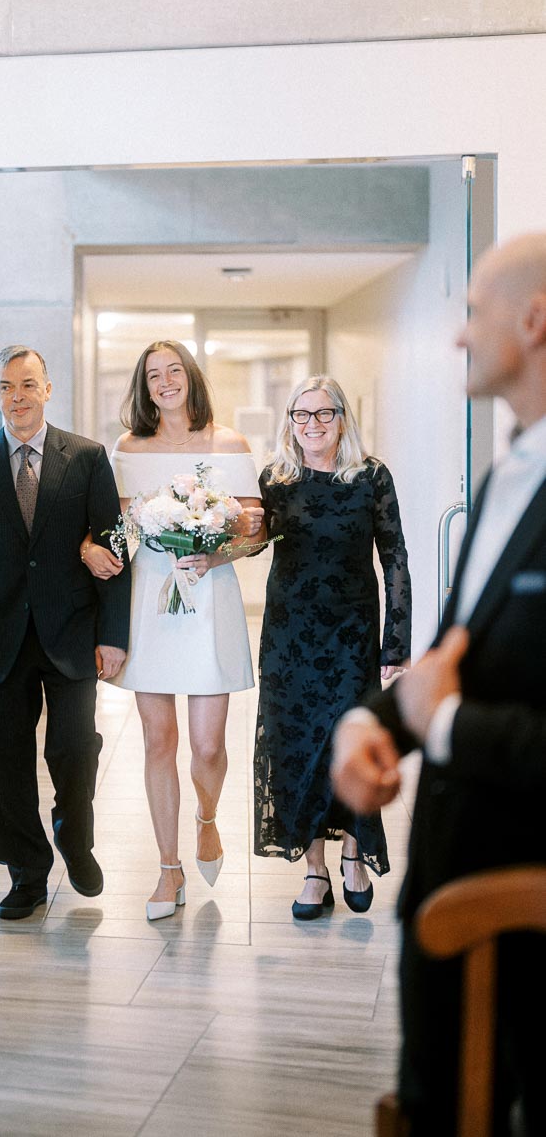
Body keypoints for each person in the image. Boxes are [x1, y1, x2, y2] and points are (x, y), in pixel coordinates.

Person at [331, 233, 546, 1137]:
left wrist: (445, 723)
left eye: (471, 316)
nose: (458, 338)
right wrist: (371, 726)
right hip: (447, 899)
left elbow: (451, 701)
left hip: (523, 922)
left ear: (534, 323)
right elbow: (453, 654)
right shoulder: (508, 477)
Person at [0, 345, 130, 920]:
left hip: (71, 631)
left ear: (47, 388)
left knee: (75, 750)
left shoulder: (89, 457)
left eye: (27, 384)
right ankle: (26, 873)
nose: (16, 397)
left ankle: (76, 840)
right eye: (5, 387)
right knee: (8, 760)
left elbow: (114, 544)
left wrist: (114, 634)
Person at [82, 340, 264, 921]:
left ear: (191, 378)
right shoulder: (128, 449)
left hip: (209, 594)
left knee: (208, 744)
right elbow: (114, 531)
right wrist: (91, 548)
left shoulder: (229, 443)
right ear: (144, 386)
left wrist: (214, 554)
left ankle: (206, 819)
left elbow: (256, 533)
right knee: (158, 739)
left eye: (174, 372)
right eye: (153, 375)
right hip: (150, 602)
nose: (165, 382)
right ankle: (168, 869)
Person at [253, 375, 411, 920]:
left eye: (323, 414)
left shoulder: (370, 477)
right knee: (296, 746)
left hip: (352, 636)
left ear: (342, 418)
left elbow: (394, 559)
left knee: (346, 744)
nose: (312, 425)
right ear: (289, 421)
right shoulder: (276, 479)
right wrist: (204, 544)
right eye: (302, 414)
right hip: (288, 638)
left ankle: (353, 855)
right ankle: (315, 868)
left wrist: (397, 645)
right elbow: (253, 542)